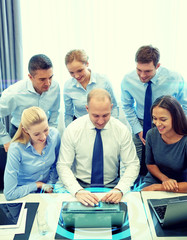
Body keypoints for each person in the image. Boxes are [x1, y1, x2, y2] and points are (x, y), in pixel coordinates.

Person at [57, 88, 139, 206]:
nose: (101, 121)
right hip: (80, 185)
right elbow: (63, 165)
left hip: (112, 187)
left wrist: (120, 189)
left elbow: (132, 164)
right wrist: (77, 191)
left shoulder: (121, 130)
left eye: (105, 115)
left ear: (111, 108)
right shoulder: (72, 129)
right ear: (87, 109)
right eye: (95, 115)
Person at [121, 45, 187, 175]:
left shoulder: (174, 78)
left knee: (165, 161)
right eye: (139, 70)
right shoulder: (128, 80)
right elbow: (127, 106)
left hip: (168, 123)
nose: (142, 75)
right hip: (140, 123)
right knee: (136, 162)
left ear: (157, 66)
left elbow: (184, 105)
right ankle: (139, 188)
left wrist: (177, 127)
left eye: (147, 71)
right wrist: (137, 129)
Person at [0, 54, 61, 152]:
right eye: (42, 79)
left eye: (50, 77)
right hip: (20, 133)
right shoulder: (14, 92)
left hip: (43, 133)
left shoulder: (55, 86)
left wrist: (50, 133)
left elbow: (54, 111)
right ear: (30, 77)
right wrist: (5, 139)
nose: (48, 83)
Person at [4, 106, 61, 201]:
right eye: (36, 134)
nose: (43, 137)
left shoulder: (55, 135)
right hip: (22, 194)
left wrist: (50, 185)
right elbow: (10, 194)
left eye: (46, 130)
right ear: (25, 131)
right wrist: (38, 185)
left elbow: (56, 165)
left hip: (46, 192)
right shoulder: (16, 149)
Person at [141, 96, 187, 192]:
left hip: (181, 185)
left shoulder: (185, 141)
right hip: (155, 179)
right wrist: (165, 179)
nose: (157, 124)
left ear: (175, 118)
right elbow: (150, 164)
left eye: (163, 119)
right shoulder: (151, 134)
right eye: (155, 118)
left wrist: (158, 187)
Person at [63, 49, 119, 127]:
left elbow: (114, 107)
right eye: (71, 72)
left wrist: (111, 127)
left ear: (87, 64)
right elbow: (68, 114)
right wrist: (69, 131)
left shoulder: (103, 80)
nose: (76, 76)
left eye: (80, 70)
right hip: (80, 125)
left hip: (103, 123)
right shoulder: (68, 86)